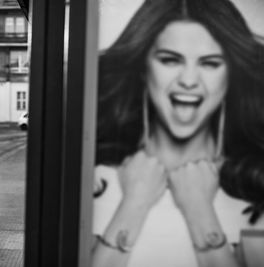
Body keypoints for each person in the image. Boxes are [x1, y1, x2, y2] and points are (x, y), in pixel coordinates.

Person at [92, 0, 264, 266]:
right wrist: (134, 204)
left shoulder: (256, 183)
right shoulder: (94, 178)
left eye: (210, 63)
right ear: (142, 68)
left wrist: (200, 211)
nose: (189, 80)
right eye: (170, 60)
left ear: (231, 75)